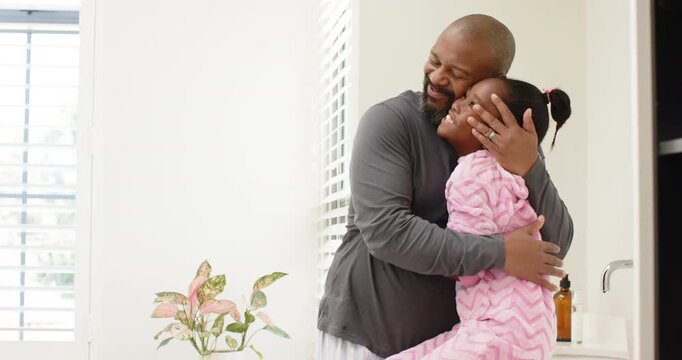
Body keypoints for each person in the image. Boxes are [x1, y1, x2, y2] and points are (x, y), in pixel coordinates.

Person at [317, 14, 574, 359]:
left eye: (457, 75)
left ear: (491, 82)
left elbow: (551, 247)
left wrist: (529, 165)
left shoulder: (511, 144)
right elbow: (386, 231)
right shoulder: (391, 122)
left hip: (454, 344)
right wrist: (501, 254)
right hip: (367, 337)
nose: (436, 78)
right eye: (435, 61)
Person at [386, 77, 571, 360]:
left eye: (471, 102)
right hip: (526, 330)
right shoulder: (513, 174)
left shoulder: (470, 177)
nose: (456, 103)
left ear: (496, 129)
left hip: (496, 330)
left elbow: (464, 260)